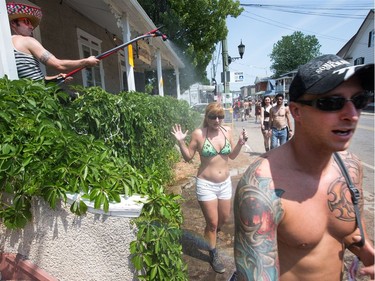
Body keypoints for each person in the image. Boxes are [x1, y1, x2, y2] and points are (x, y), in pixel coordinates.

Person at [234, 54, 374, 280]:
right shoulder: (262, 186)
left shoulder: (351, 167)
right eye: (331, 103)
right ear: (297, 112)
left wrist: (366, 252)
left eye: (358, 101)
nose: (352, 115)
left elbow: (350, 231)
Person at [172, 102, 248, 274]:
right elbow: (188, 157)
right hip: (206, 184)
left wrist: (240, 143)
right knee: (213, 223)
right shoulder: (199, 134)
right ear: (206, 117)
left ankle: (210, 232)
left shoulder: (226, 131)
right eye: (212, 116)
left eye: (220, 116)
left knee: (223, 218)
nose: (217, 120)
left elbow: (233, 155)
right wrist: (181, 142)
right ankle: (213, 253)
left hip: (225, 183)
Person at [7, 0, 99, 83]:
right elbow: (58, 65)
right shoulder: (27, 41)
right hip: (38, 96)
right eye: (26, 22)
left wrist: (56, 77)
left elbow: (31, 79)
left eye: (31, 23)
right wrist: (86, 62)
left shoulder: (7, 46)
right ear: (13, 23)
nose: (31, 27)